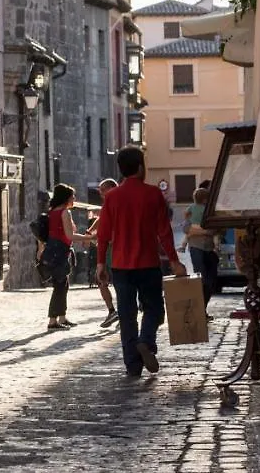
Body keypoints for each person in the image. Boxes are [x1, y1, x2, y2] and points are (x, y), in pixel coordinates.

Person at [97, 147, 187, 377]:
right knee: (154, 309)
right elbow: (164, 232)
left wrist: (100, 264)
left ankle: (133, 365)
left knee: (127, 316)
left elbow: (103, 234)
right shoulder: (153, 194)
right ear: (140, 167)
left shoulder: (112, 197)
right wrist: (175, 262)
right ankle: (146, 342)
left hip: (120, 266)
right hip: (148, 264)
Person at [43, 183, 94, 331]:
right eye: (73, 196)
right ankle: (53, 321)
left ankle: (62, 317)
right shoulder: (64, 213)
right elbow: (69, 235)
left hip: (53, 250)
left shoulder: (52, 212)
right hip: (60, 252)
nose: (74, 199)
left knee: (63, 285)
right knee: (59, 286)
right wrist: (88, 238)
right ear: (66, 198)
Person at [84, 178, 120, 328]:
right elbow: (101, 218)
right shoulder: (107, 203)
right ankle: (113, 311)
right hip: (107, 247)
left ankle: (122, 311)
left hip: (115, 247)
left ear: (111, 188)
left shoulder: (118, 202)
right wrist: (90, 231)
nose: (100, 193)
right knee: (101, 280)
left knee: (119, 280)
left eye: (102, 190)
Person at [185, 183, 220, 314]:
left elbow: (216, 228)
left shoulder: (211, 211)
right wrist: (205, 231)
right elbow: (186, 228)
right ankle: (200, 310)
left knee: (211, 281)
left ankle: (202, 308)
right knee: (202, 279)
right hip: (196, 247)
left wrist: (198, 231)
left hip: (209, 248)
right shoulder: (193, 210)